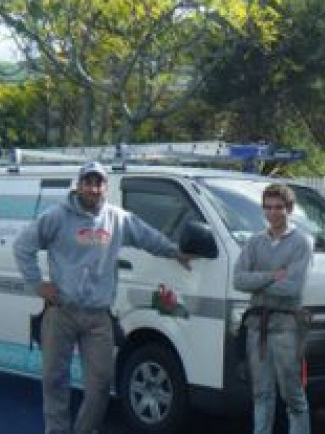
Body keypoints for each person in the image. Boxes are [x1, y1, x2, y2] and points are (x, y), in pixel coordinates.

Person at [13, 161, 192, 434]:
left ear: (106, 187)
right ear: (79, 185)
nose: (94, 189)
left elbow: (148, 237)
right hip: (61, 311)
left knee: (100, 383)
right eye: (88, 182)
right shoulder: (57, 217)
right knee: (53, 379)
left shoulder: (117, 219)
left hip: (98, 316)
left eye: (99, 183)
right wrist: (38, 285)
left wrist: (175, 252)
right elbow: (22, 246)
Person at [233, 183, 313, 434]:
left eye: (279, 207)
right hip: (257, 327)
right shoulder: (255, 242)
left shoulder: (301, 242)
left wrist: (256, 282)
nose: (273, 212)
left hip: (287, 329)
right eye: (268, 207)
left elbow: (292, 287)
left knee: (293, 397)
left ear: (289, 209)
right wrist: (271, 276)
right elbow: (238, 280)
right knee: (261, 394)